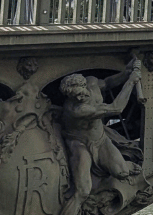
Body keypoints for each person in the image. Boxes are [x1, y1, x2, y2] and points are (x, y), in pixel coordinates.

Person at [59, 60, 142, 215]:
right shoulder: (77, 109)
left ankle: (123, 166)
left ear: (84, 85)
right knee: (82, 191)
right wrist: (131, 82)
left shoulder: (92, 82)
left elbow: (108, 83)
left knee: (122, 173)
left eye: (80, 93)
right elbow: (116, 108)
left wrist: (125, 73)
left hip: (101, 140)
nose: (79, 98)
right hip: (79, 144)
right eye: (75, 96)